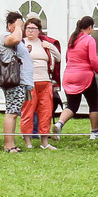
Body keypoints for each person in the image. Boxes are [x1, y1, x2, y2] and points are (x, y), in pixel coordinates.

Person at [57, 16, 98, 140]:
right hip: (85, 76)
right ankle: (94, 131)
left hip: (69, 75)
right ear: (90, 27)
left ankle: (59, 123)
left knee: (72, 106)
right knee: (94, 104)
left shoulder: (72, 38)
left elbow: (67, 57)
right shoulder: (89, 39)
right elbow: (93, 60)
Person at [16, 18, 61, 149]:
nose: (30, 31)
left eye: (33, 29)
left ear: (39, 31)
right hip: (29, 82)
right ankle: (27, 141)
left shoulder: (43, 43)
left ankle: (44, 141)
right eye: (28, 28)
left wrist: (50, 46)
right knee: (28, 111)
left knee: (46, 111)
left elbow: (58, 57)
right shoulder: (22, 43)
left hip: (45, 81)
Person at [0, 11, 32, 153]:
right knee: (11, 111)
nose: (21, 29)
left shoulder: (16, 38)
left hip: (19, 81)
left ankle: (11, 143)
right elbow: (16, 39)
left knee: (14, 112)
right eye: (18, 25)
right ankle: (8, 145)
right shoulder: (6, 36)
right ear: (9, 25)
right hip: (13, 81)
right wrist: (17, 26)